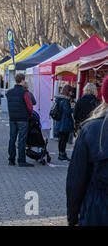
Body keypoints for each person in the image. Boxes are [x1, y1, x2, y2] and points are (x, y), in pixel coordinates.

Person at [66, 75, 108, 226]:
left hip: (98, 210)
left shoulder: (91, 130)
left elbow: (76, 179)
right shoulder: (93, 129)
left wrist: (72, 216)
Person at [6, 73, 34, 167]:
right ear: (22, 80)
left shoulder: (9, 92)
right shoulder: (24, 92)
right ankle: (21, 160)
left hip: (12, 118)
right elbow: (30, 106)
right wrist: (29, 115)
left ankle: (11, 159)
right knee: (22, 140)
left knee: (12, 138)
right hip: (22, 119)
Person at [54, 84, 74, 161]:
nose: (72, 93)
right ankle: (62, 155)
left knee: (61, 139)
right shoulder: (65, 100)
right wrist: (73, 108)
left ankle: (61, 154)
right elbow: (67, 111)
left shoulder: (59, 98)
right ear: (68, 91)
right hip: (64, 122)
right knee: (63, 139)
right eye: (71, 91)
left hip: (60, 121)